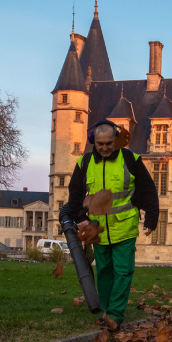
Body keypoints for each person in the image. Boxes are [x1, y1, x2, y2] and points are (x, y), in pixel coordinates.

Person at [61, 120, 159, 329]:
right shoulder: (84, 163)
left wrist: (151, 218)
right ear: (92, 142)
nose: (105, 148)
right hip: (99, 230)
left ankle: (114, 315)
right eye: (100, 144)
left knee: (122, 272)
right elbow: (75, 195)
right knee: (104, 272)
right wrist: (80, 218)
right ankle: (105, 311)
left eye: (108, 143)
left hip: (125, 227)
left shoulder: (131, 159)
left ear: (115, 139)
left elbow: (148, 190)